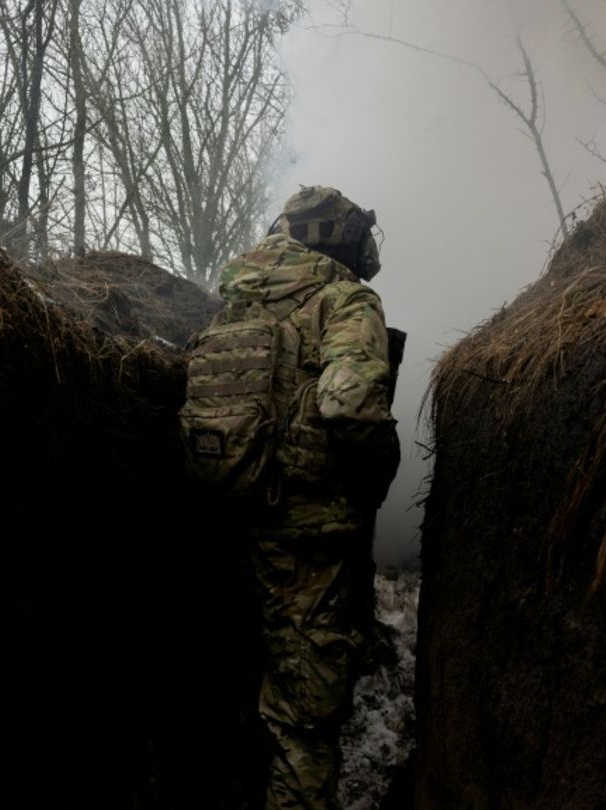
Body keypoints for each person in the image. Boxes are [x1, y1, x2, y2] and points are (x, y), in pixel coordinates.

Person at [188, 186, 400, 809]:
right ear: (339, 238)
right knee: (304, 723)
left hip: (228, 520)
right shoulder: (346, 299)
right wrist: (379, 472)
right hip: (308, 541)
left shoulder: (234, 305)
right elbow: (350, 404)